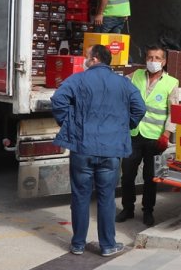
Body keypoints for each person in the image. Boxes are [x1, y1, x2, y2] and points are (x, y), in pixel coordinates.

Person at [52, 44, 145, 257]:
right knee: (106, 197)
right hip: (111, 149)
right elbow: (140, 107)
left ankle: (77, 244)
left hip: (83, 148)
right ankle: (107, 245)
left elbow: (58, 100)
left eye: (87, 56)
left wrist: (68, 123)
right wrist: (125, 125)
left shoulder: (78, 79)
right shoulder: (124, 83)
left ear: (94, 59)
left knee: (80, 197)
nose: (85, 60)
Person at [116, 44, 179, 227]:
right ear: (146, 60)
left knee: (150, 177)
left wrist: (167, 134)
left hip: (155, 138)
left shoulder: (171, 83)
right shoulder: (135, 76)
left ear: (164, 62)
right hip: (133, 134)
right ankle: (127, 209)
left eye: (158, 58)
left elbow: (173, 112)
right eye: (150, 58)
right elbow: (118, 88)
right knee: (127, 175)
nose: (153, 62)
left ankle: (148, 211)